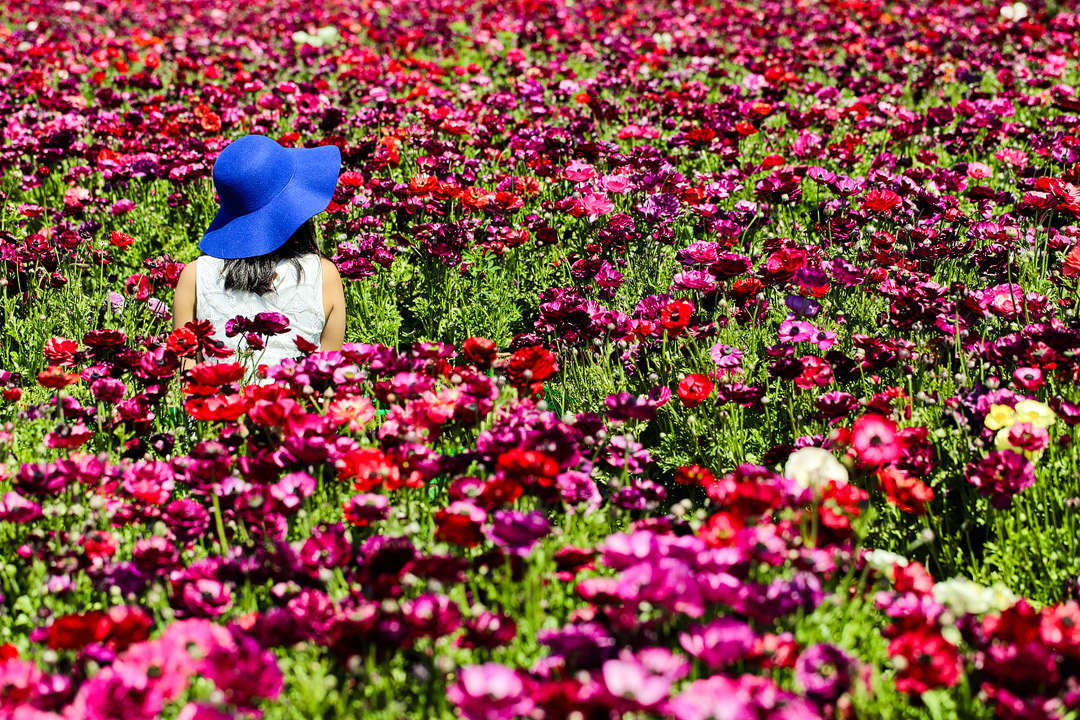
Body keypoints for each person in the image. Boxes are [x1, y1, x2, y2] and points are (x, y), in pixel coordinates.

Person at [172, 134, 346, 372]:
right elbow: (329, 377)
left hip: (220, 407)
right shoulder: (324, 276)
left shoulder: (194, 276)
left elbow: (186, 378)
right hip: (299, 407)